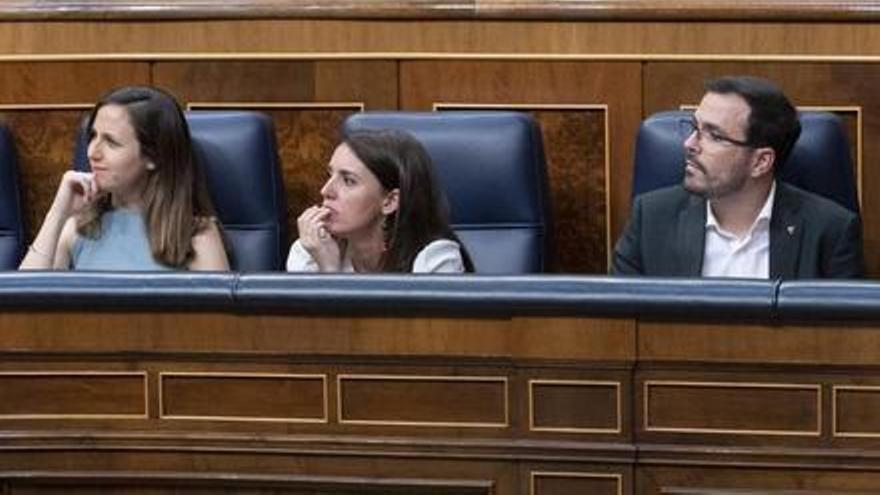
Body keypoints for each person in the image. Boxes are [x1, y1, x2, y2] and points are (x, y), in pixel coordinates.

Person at [612, 75, 864, 278]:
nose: (690, 144)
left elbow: (842, 338)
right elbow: (620, 325)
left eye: (715, 136)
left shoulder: (830, 231)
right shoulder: (651, 218)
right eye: (695, 128)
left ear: (760, 162)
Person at [19, 86, 229, 271]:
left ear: (153, 156)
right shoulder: (79, 227)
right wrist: (58, 214)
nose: (92, 152)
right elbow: (21, 306)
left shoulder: (195, 235)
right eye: (92, 136)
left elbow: (216, 317)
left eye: (111, 142)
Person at [287, 129, 473, 273]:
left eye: (348, 181)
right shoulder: (311, 249)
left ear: (390, 201)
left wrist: (330, 272)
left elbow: (420, 325)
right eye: (330, 175)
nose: (325, 191)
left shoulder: (435, 259)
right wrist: (324, 263)